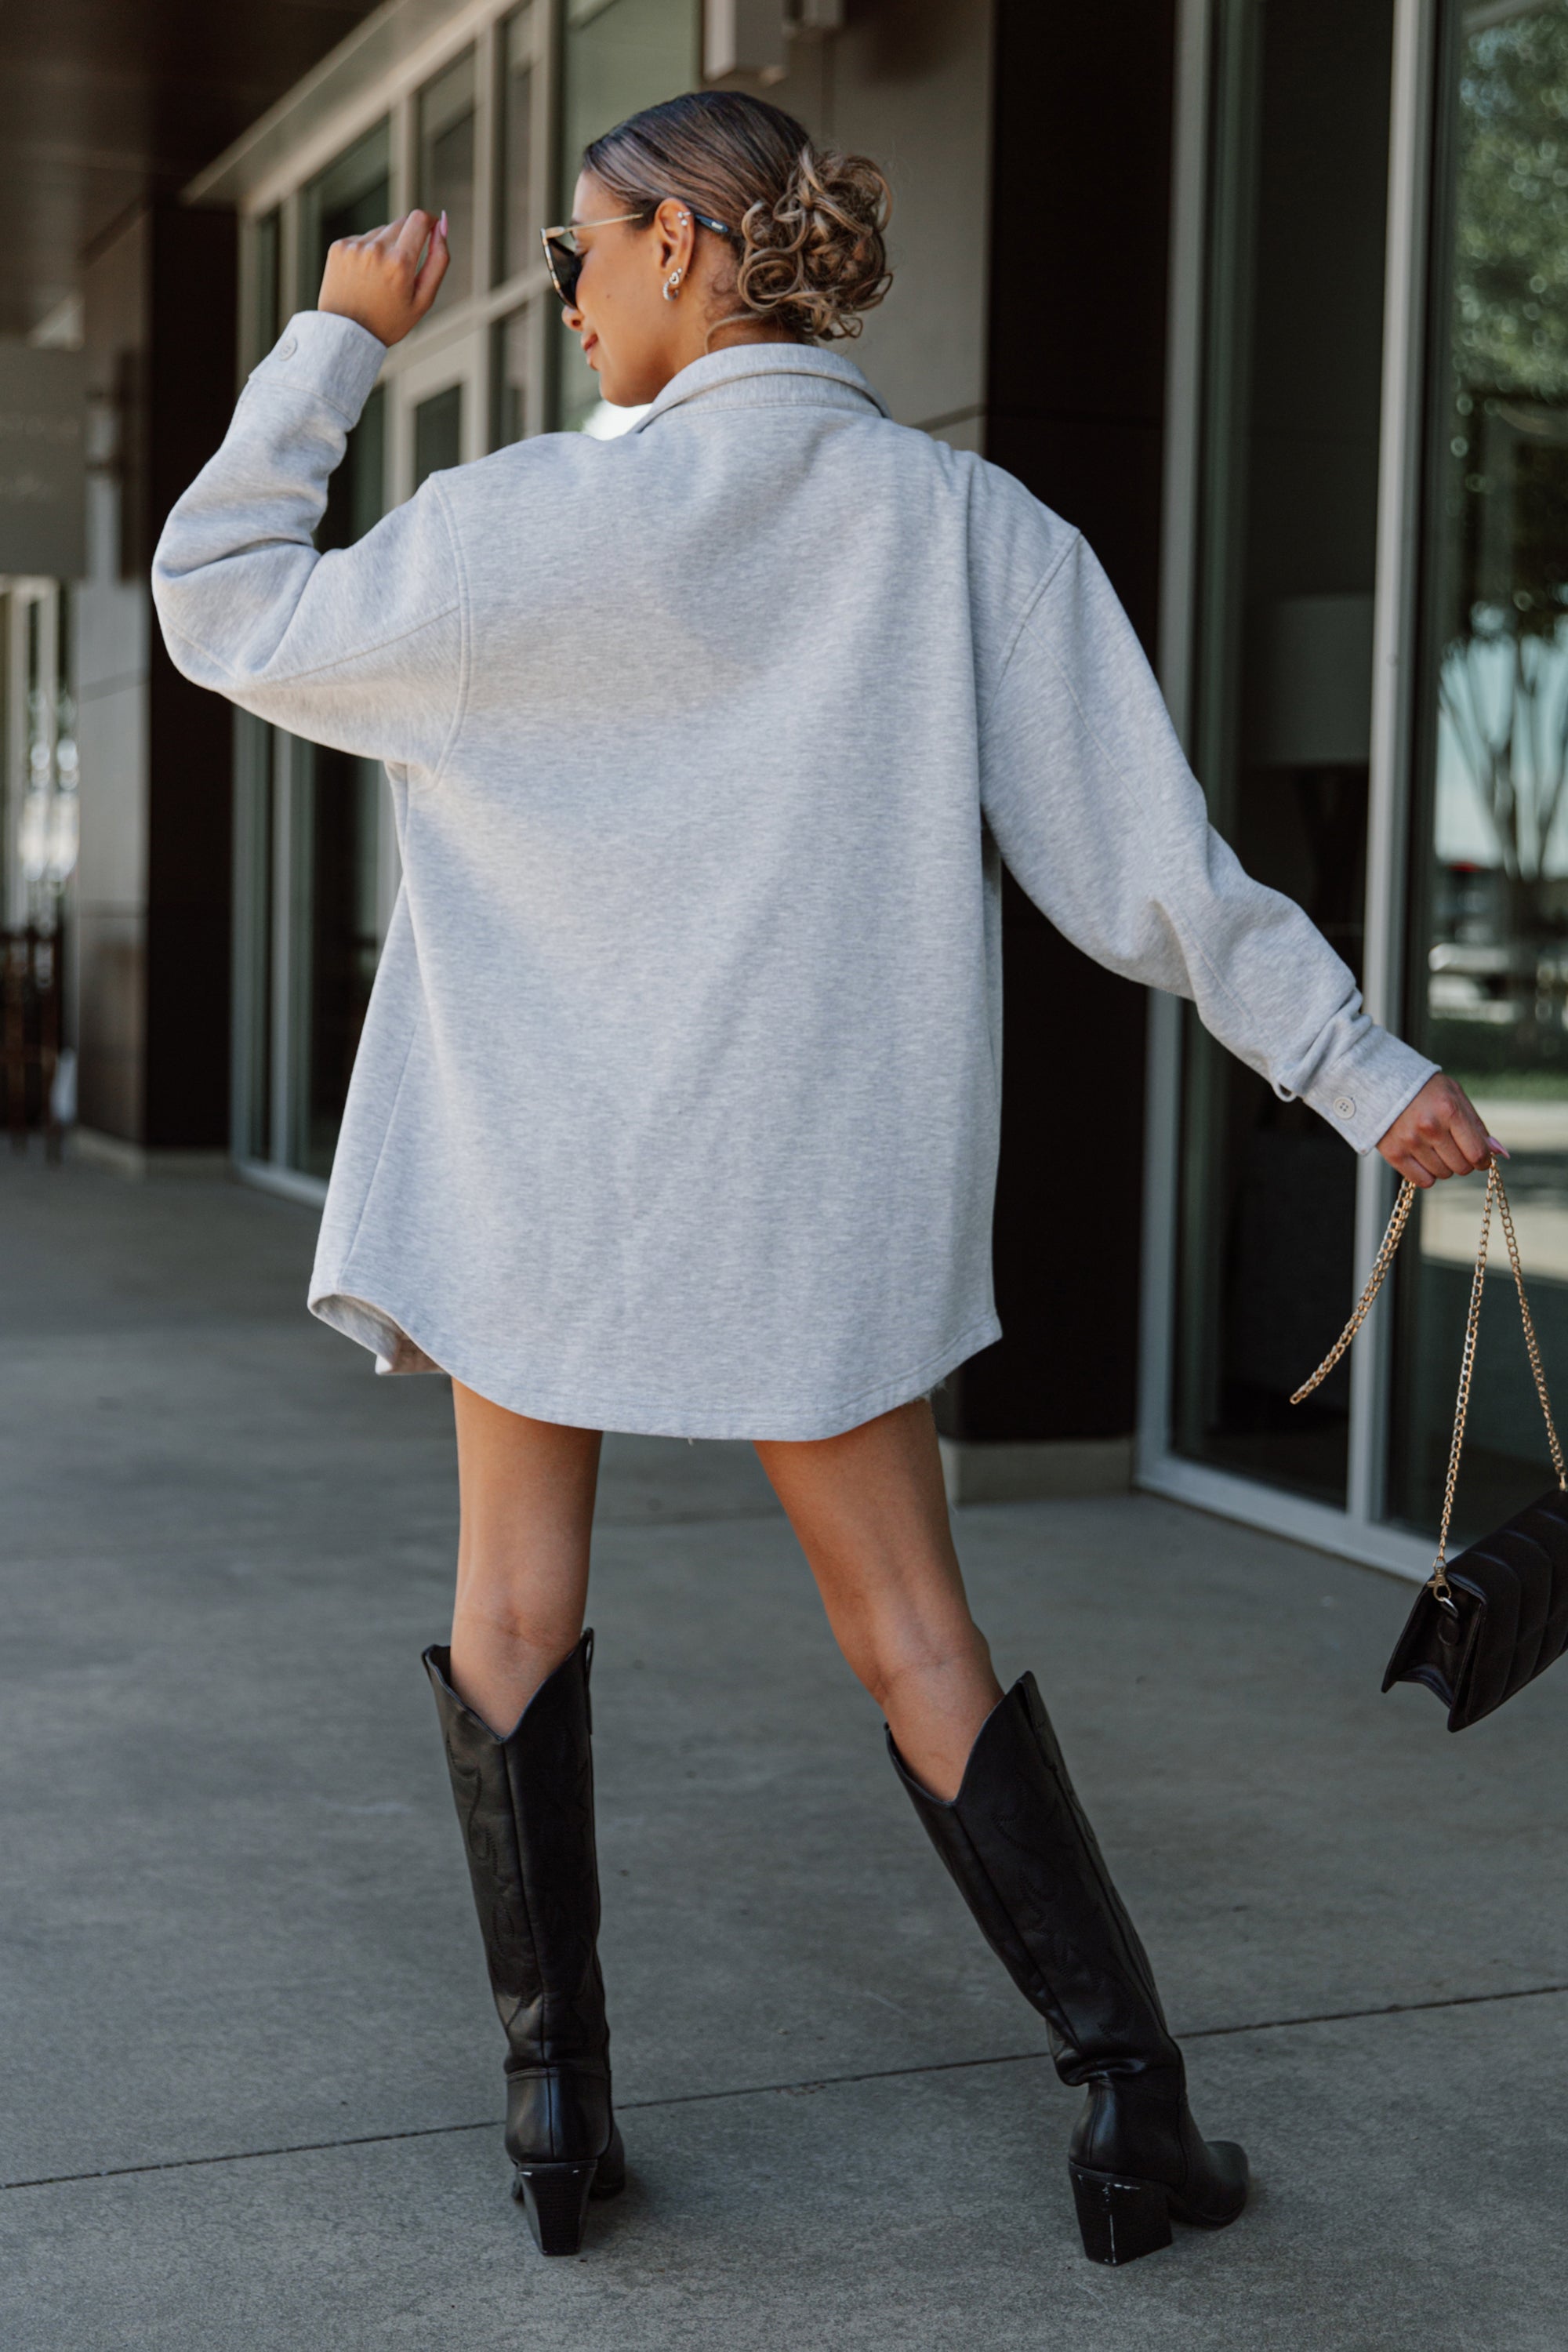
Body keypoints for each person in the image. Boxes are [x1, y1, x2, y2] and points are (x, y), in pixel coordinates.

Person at [151, 89, 1495, 2269]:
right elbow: (1146, 874)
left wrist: (337, 335)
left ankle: (558, 2125)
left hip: (541, 1174)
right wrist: (1355, 1067)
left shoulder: (512, 533)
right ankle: (1131, 2119)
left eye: (580, 250)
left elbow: (218, 600)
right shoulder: (964, 528)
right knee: (912, 1628)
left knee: (513, 1613)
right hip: (809, 1185)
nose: (562, 291)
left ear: (686, 244)